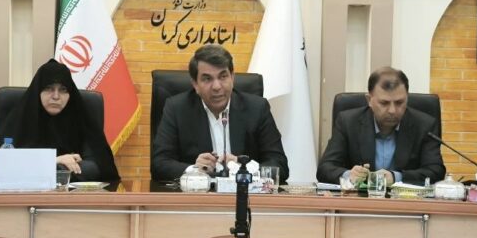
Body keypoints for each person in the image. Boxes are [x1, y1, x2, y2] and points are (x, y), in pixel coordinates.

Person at [151, 44, 289, 181]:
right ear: (195, 84)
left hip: (243, 192)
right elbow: (159, 164)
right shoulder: (177, 108)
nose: (217, 87)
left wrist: (243, 168)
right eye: (207, 79)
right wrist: (194, 170)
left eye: (223, 77)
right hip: (198, 193)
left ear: (232, 78)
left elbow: (280, 165)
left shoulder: (257, 108)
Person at [317, 67, 446, 186]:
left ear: (407, 98)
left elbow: (436, 170)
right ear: (369, 100)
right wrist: (349, 175)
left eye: (399, 103)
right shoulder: (348, 122)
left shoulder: (424, 125)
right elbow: (325, 168)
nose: (392, 110)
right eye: (384, 103)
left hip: (406, 201)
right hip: (361, 200)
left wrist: (396, 177)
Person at [0, 59, 119, 182]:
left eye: (63, 90)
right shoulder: (20, 119)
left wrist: (52, 168)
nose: (56, 96)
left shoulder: (81, 118)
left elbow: (100, 167)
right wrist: (54, 161)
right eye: (49, 88)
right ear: (38, 91)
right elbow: (2, 166)